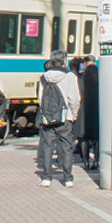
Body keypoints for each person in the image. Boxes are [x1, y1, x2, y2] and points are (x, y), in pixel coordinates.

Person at [36, 50, 80, 188]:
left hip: (47, 119)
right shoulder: (70, 77)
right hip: (65, 117)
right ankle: (67, 179)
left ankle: (47, 178)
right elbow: (75, 99)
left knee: (47, 147)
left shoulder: (43, 77)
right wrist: (74, 114)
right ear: (64, 61)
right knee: (66, 148)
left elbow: (40, 99)